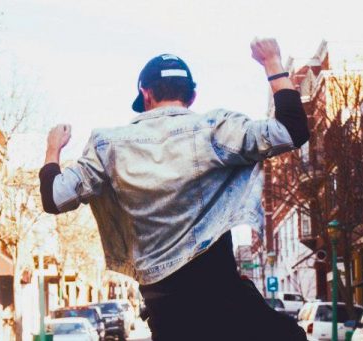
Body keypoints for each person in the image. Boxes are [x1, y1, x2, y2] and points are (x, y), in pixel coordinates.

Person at [39, 38, 309, 340]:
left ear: (145, 93)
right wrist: (272, 61)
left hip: (165, 308)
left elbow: (54, 198)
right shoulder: (217, 129)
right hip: (220, 293)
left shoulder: (107, 145)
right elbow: (292, 130)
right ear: (192, 95)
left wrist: (53, 148)